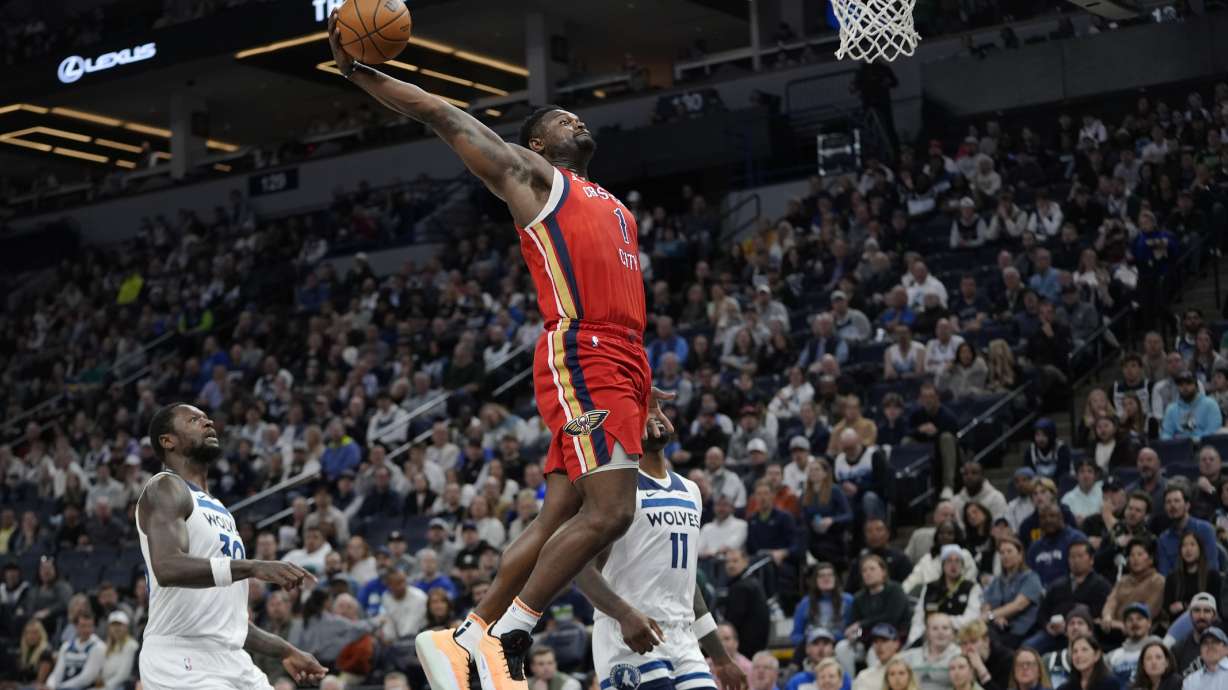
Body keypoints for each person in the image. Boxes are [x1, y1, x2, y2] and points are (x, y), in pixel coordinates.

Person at [333, 9, 674, 687]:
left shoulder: (614, 203)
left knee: (562, 513)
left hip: (621, 359)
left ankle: (465, 632)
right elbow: (445, 116)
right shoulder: (532, 178)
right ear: (536, 144)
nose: (574, 120)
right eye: (558, 119)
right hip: (583, 352)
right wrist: (362, 72)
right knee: (612, 511)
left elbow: (622, 297)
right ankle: (508, 632)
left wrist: (643, 377)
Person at [137, 404, 326, 690]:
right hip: (180, 657)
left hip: (232, 659)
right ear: (168, 441)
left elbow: (227, 621)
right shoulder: (165, 488)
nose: (207, 422)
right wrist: (254, 566)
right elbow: (167, 567)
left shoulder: (220, 509)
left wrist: (285, 650)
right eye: (193, 420)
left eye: (207, 418)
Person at [570, 421, 746, 690]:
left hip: (683, 637)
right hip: (629, 633)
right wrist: (624, 615)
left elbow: (687, 585)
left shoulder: (691, 490)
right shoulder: (614, 490)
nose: (655, 417)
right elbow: (579, 568)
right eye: (643, 411)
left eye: (660, 410)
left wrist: (720, 658)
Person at [1026, 541, 1112, 654]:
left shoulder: (1101, 585)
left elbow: (1099, 614)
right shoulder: (1057, 584)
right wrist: (1047, 626)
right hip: (1053, 634)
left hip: (1083, 633)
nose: (1075, 560)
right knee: (1028, 648)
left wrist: (1069, 626)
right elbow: (1043, 612)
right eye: (1072, 557)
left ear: (1091, 559)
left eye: (1080, 556)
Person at [834, 554, 911, 677]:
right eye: (864, 570)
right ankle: (852, 684)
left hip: (893, 638)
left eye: (872, 569)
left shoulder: (895, 590)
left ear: (883, 572)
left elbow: (891, 618)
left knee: (874, 652)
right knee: (842, 648)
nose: (868, 573)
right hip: (867, 638)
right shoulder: (859, 597)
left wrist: (861, 624)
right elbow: (854, 623)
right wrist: (853, 633)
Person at [907, 545, 982, 646]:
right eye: (949, 560)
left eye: (957, 561)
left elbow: (972, 617)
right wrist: (913, 639)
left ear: (962, 565)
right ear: (943, 564)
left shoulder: (972, 587)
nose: (953, 565)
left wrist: (942, 624)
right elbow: (919, 617)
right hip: (929, 638)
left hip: (959, 637)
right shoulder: (930, 587)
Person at [983, 535, 1043, 648]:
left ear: (1020, 555)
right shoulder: (997, 581)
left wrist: (992, 615)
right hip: (999, 628)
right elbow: (987, 604)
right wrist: (994, 617)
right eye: (1002, 552)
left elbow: (1018, 605)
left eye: (1009, 551)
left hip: (1022, 631)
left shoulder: (1031, 578)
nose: (1005, 556)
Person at [1100, 538, 1165, 640]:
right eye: (1132, 555)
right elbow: (1111, 601)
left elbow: (1149, 611)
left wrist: (1125, 624)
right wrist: (1107, 616)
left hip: (1141, 633)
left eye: (1140, 554)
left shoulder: (1157, 581)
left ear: (1151, 559)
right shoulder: (1124, 580)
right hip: (1115, 629)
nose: (1135, 559)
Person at [1156, 486, 1219, 576]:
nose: (1172, 505)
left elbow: (1212, 568)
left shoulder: (1205, 529)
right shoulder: (1163, 539)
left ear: (1187, 505)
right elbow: (1164, 574)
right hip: (1177, 587)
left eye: (1177, 501)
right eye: (1168, 502)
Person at [793, 563, 854, 650]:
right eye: (822, 576)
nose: (826, 578)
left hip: (838, 645)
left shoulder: (848, 600)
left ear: (835, 579)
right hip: (812, 646)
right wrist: (811, 643)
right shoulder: (805, 603)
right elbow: (796, 634)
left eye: (830, 575)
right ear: (815, 580)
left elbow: (852, 628)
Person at [897, 613, 960, 690]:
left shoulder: (960, 655)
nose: (940, 632)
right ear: (927, 633)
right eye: (935, 628)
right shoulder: (909, 656)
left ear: (953, 632)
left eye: (945, 628)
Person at [44, 609, 105, 689]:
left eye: (90, 626)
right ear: (76, 627)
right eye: (83, 626)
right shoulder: (66, 646)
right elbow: (57, 672)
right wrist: (50, 685)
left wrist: (61, 687)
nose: (86, 630)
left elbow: (88, 677)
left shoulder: (98, 647)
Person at [1160, 371, 1223, 441]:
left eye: (1188, 383)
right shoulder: (1171, 409)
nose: (1184, 387)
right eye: (1181, 384)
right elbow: (1166, 433)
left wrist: (1193, 441)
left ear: (1196, 386)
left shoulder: (1210, 404)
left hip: (1204, 446)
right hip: (1177, 447)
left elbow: (1213, 431)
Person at [1103, 603, 1158, 683]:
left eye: (1139, 618)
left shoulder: (1159, 647)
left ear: (1149, 623)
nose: (1134, 623)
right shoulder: (1113, 656)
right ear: (1124, 626)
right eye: (1130, 620)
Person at [850, 624, 902, 690]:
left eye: (884, 641)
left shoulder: (907, 670)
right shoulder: (864, 676)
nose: (879, 646)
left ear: (896, 643)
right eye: (875, 641)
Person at [99, 611, 139, 690]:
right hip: (107, 685)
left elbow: (124, 675)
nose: (116, 628)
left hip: (120, 687)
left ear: (126, 627)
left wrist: (105, 687)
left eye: (119, 625)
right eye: (113, 625)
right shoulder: (108, 646)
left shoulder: (131, 645)